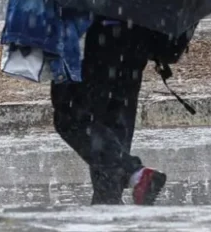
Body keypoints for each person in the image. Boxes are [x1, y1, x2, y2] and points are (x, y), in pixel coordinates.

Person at [50, 17, 190, 205]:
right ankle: (107, 203)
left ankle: (135, 174)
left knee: (70, 116)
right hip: (137, 39)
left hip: (108, 35)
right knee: (113, 124)